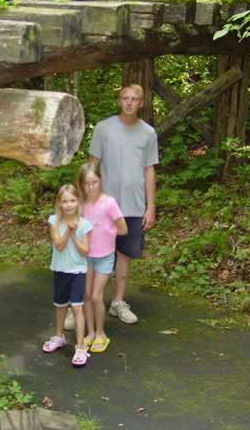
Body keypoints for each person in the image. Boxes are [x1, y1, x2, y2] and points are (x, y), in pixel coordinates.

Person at [89, 83, 158, 324]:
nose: (129, 103)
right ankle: (85, 303)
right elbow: (92, 165)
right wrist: (89, 200)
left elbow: (149, 170)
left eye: (133, 99)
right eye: (124, 98)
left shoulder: (148, 133)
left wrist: (150, 206)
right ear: (119, 100)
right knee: (95, 254)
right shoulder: (103, 128)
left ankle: (117, 302)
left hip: (133, 205)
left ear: (141, 103)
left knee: (125, 254)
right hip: (103, 205)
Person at [77, 162, 127, 353]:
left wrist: (105, 231)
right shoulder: (80, 204)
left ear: (100, 180)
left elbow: (123, 229)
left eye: (94, 182)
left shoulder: (109, 203)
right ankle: (90, 333)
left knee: (97, 296)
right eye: (86, 183)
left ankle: (100, 333)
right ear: (81, 185)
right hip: (85, 257)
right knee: (87, 296)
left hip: (104, 257)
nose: (91, 187)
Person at [42, 184, 93, 366]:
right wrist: (69, 230)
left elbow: (85, 251)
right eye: (65, 201)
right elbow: (59, 245)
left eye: (72, 200)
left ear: (78, 201)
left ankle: (81, 347)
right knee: (60, 306)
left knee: (77, 307)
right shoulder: (54, 220)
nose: (69, 205)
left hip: (78, 271)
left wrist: (74, 235)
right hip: (60, 270)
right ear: (59, 203)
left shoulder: (85, 224)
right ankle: (59, 337)